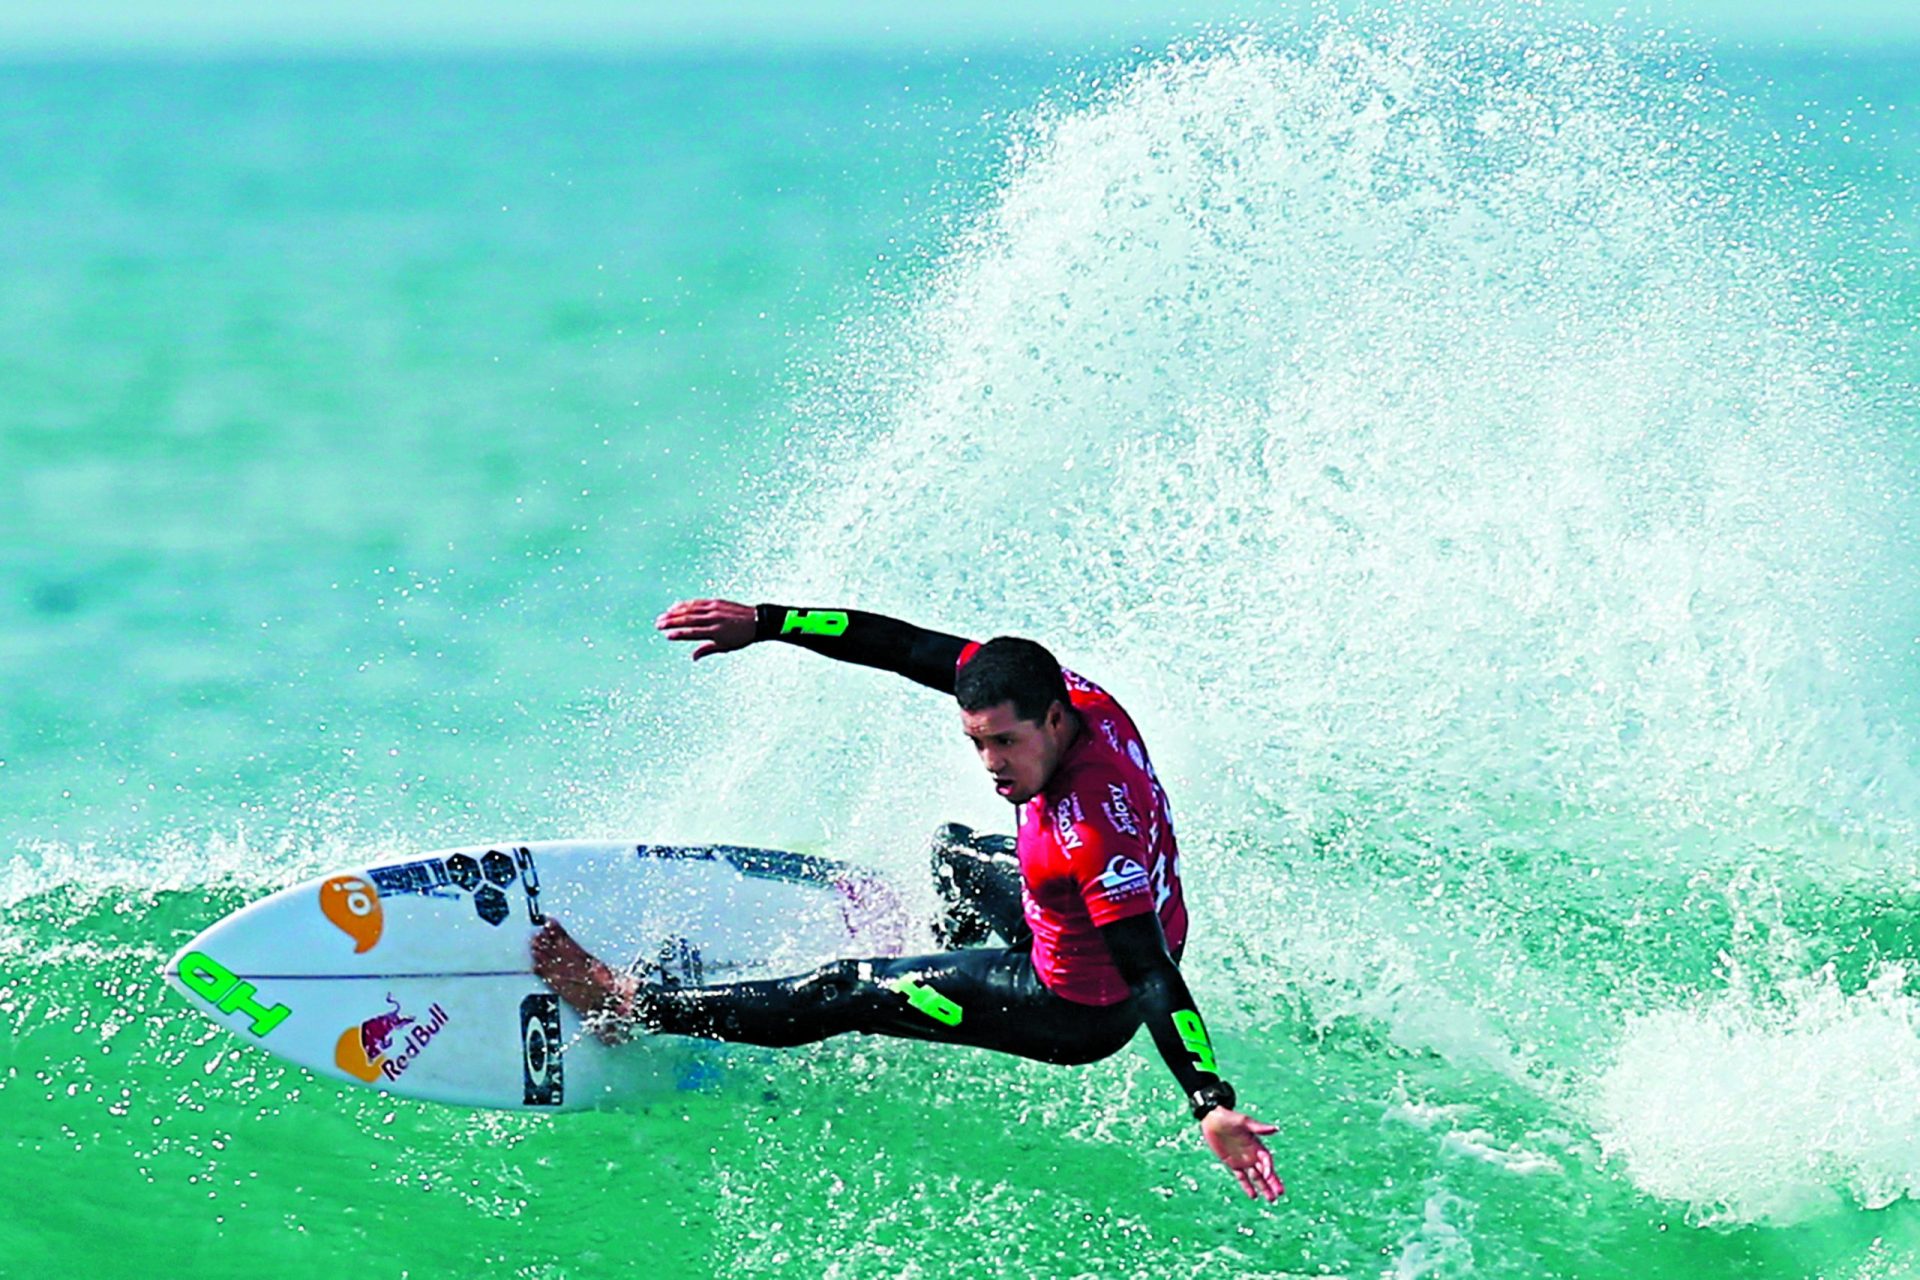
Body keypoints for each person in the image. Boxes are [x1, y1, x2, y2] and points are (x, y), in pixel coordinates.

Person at [532, 598, 1283, 1202]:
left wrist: (1208, 1100)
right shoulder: (1080, 699)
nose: (992, 764)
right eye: (977, 742)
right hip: (1074, 921)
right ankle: (948, 968)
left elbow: (1151, 974)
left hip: (1075, 1007)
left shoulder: (1087, 835)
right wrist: (765, 623)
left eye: (1005, 744)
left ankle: (630, 1005)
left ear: (1053, 721)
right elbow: (906, 647)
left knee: (848, 986)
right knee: (953, 851)